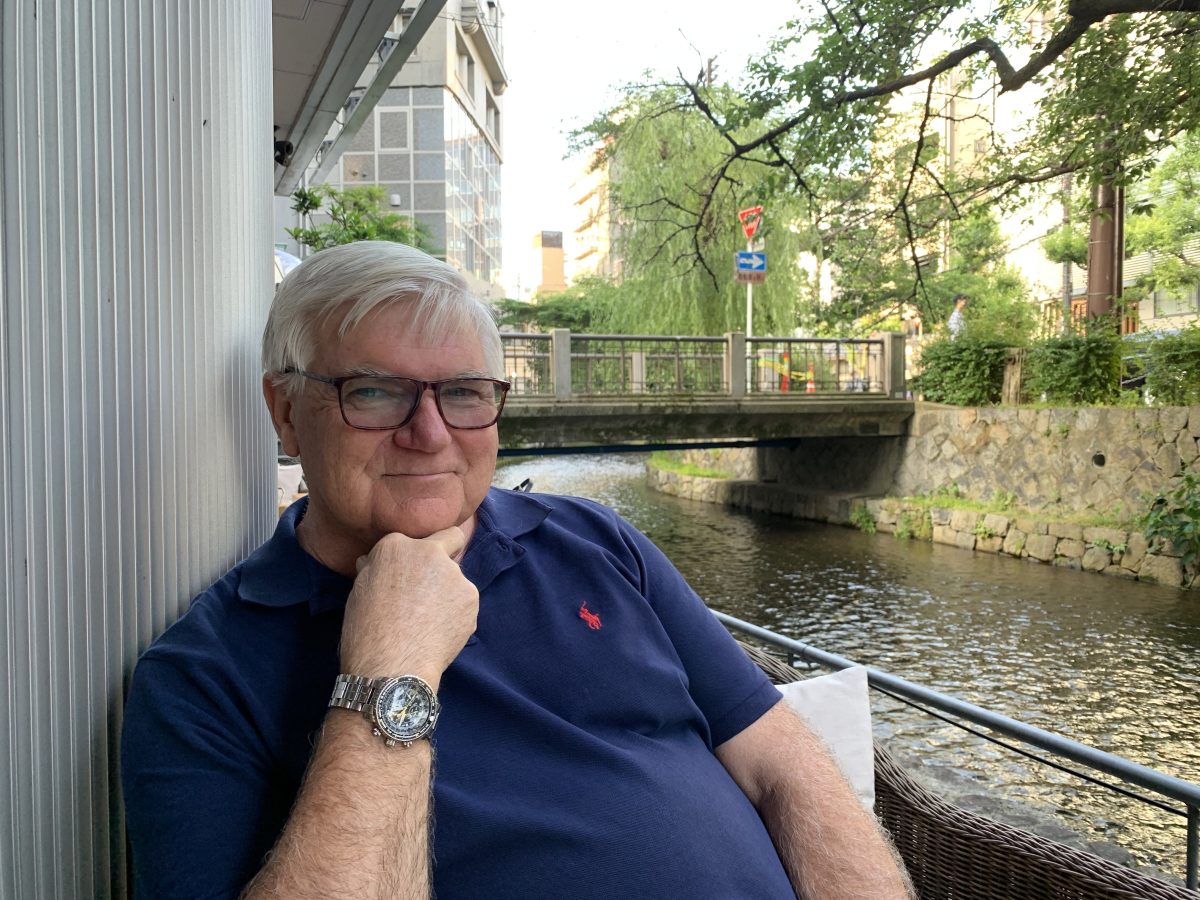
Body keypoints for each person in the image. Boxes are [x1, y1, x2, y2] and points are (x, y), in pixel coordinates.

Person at [121, 241, 913, 899]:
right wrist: (392, 664)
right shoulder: (200, 676)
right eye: (376, 392)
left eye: (464, 393)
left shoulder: (598, 540)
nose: (430, 433)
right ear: (286, 410)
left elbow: (784, 765)